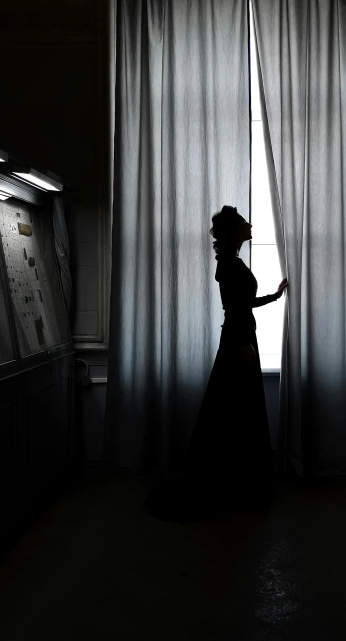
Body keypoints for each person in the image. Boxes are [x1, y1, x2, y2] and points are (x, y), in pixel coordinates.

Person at [145, 205, 288, 522]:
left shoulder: (232, 262)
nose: (250, 225)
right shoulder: (228, 264)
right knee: (235, 407)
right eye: (243, 223)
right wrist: (242, 344)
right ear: (234, 232)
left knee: (235, 406)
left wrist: (274, 297)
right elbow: (234, 309)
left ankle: (236, 479)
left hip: (241, 339)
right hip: (239, 341)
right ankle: (232, 482)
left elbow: (243, 303)